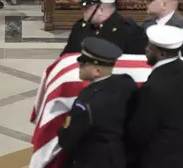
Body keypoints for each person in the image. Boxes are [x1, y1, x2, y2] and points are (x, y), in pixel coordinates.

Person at [127, 24, 183, 168]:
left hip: (161, 159)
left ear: (161, 54)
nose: (146, 50)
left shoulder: (152, 88)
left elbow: (141, 131)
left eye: (149, 47)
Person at [57, 37, 138, 168]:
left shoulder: (87, 102)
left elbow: (67, 140)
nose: (79, 67)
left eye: (83, 64)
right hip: (118, 158)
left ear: (97, 71)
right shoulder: (126, 83)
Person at [61, 0, 148, 55]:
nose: (83, 10)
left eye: (87, 7)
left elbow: (140, 63)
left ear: (101, 10)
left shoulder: (127, 31)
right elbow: (66, 58)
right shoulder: (79, 28)